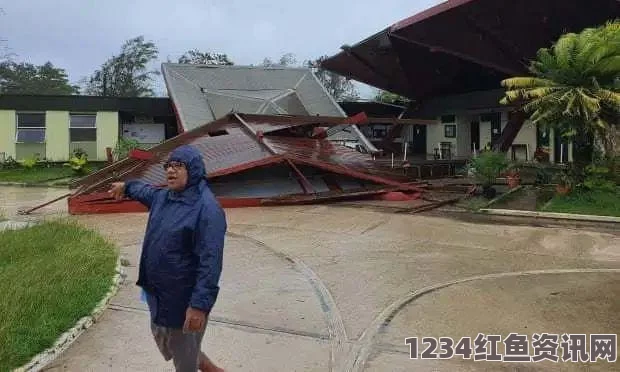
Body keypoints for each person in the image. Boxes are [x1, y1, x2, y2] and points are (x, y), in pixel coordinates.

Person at [108, 144, 227, 372]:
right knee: (168, 341)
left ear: (193, 169)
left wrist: (199, 306)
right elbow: (144, 191)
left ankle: (198, 364)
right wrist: (126, 186)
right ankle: (205, 364)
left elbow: (210, 263)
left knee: (183, 359)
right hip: (157, 291)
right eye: (169, 166)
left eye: (178, 166)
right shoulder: (164, 197)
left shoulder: (208, 210)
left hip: (183, 299)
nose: (171, 171)